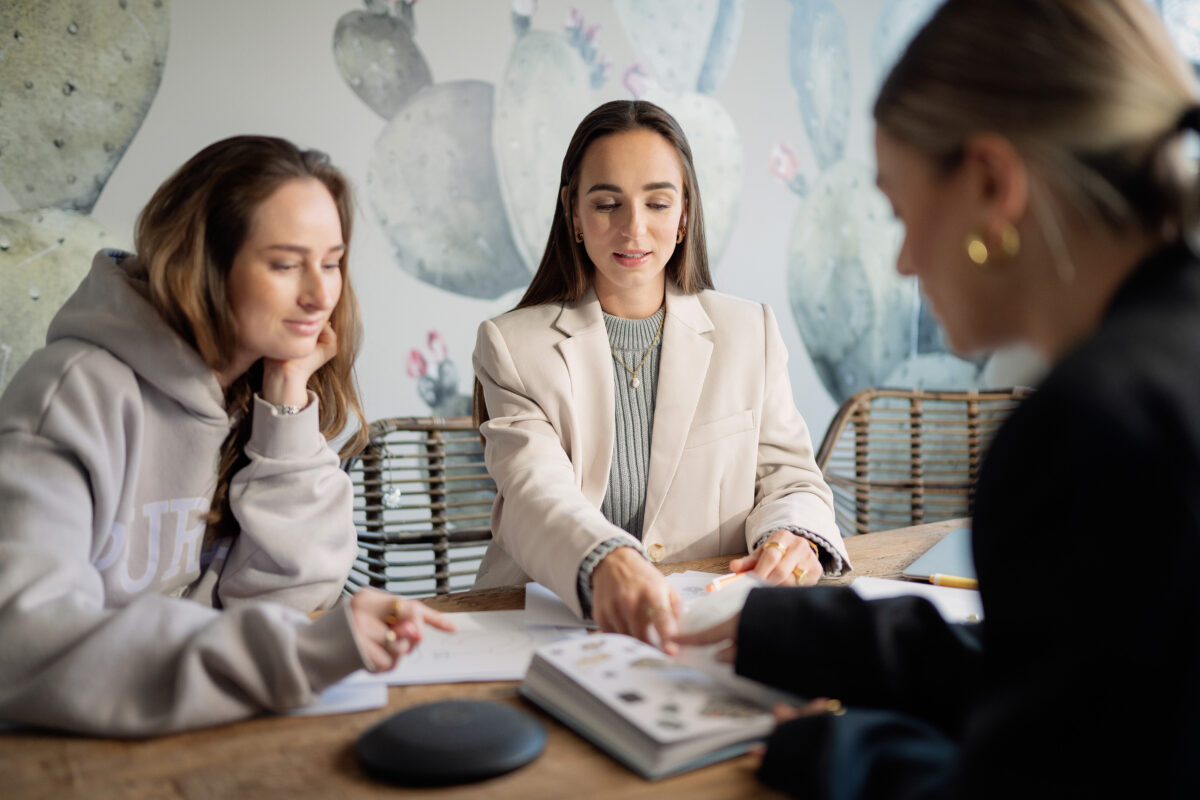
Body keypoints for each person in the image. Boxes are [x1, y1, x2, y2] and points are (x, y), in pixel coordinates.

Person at [678, 0, 1200, 797]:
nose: (904, 262)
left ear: (992, 183)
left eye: (900, 212)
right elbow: (1080, 678)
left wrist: (837, 755)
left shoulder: (1089, 428)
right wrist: (776, 625)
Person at [0, 135, 452, 736]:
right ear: (204, 264)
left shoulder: (254, 386)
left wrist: (288, 398)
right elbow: (23, 643)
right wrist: (298, 653)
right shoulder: (73, 393)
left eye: (332, 261)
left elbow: (288, 601)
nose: (320, 295)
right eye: (286, 264)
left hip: (205, 732)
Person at [471, 100, 849, 646]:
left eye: (657, 202)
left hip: (700, 625)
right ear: (573, 214)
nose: (633, 228)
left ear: (684, 214)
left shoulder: (750, 333)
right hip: (545, 622)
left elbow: (790, 477)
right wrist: (608, 561)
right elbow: (533, 492)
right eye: (606, 204)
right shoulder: (511, 346)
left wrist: (793, 535)